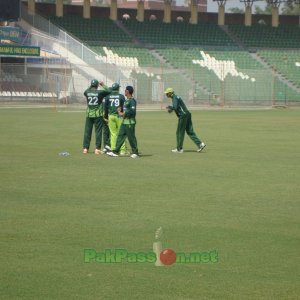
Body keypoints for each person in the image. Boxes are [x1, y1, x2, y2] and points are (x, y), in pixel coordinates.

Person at [164, 87, 206, 153]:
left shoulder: (174, 98)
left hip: (183, 116)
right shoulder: (176, 97)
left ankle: (179, 149)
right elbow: (176, 107)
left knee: (179, 132)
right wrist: (171, 108)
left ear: (170, 93)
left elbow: (175, 107)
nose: (166, 95)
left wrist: (170, 108)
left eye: (167, 93)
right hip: (187, 114)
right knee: (190, 131)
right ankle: (200, 144)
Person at [107, 86, 139, 159]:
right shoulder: (126, 100)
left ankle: (135, 152)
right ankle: (115, 151)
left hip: (130, 122)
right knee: (120, 136)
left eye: (125, 90)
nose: (124, 91)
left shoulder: (132, 101)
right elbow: (124, 111)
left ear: (128, 91)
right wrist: (120, 110)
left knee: (131, 138)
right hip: (124, 122)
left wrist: (123, 113)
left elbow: (132, 111)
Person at [82, 79, 112, 154]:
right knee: (98, 131)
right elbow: (109, 91)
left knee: (87, 132)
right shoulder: (100, 92)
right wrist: (103, 85)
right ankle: (97, 149)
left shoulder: (87, 92)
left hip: (89, 114)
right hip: (98, 115)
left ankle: (85, 148)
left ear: (91, 85)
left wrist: (90, 86)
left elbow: (85, 92)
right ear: (97, 85)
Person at [103, 83, 128, 155]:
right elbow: (124, 106)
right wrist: (123, 114)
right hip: (119, 116)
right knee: (121, 133)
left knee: (113, 134)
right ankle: (122, 150)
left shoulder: (107, 97)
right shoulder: (121, 96)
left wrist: (105, 117)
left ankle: (113, 149)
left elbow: (106, 108)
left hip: (111, 116)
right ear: (118, 89)